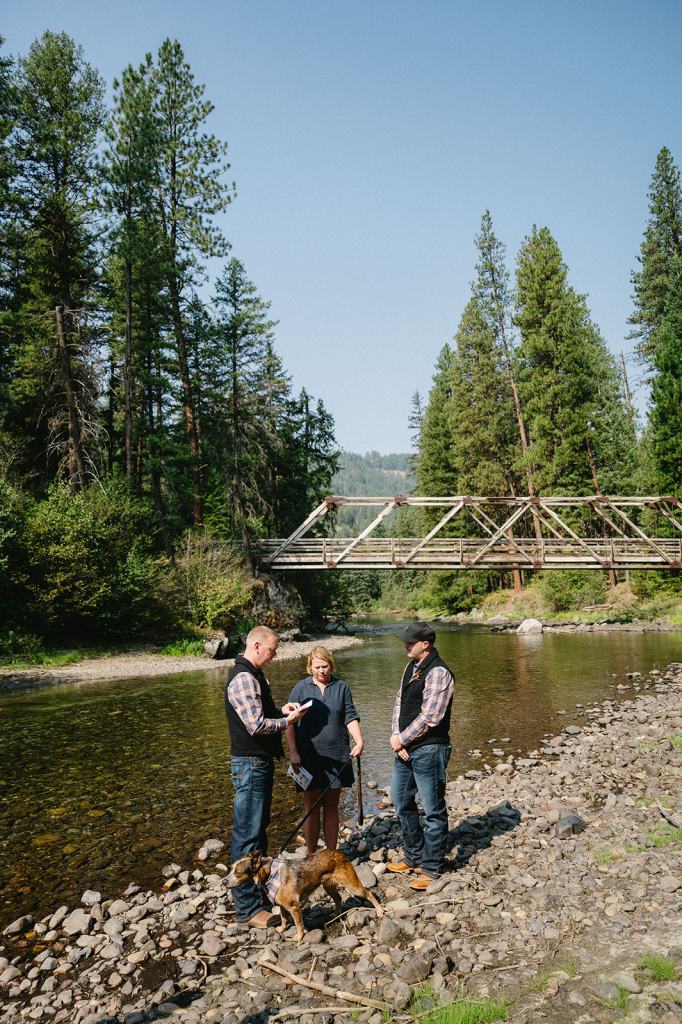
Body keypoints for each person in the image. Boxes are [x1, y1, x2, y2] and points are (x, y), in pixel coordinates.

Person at [225, 624, 308, 927]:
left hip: (257, 763)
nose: (274, 656)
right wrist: (288, 721)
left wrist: (281, 710)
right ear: (257, 646)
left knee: (258, 830)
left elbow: (260, 712)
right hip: (250, 764)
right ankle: (248, 909)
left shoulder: (254, 675)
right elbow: (256, 725)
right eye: (272, 650)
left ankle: (257, 896)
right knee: (248, 833)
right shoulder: (244, 677)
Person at [387, 621, 455, 891]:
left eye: (410, 642)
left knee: (433, 809)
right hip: (405, 748)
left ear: (425, 644)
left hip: (430, 749)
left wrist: (402, 738)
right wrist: (396, 737)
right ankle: (413, 857)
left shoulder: (439, 672)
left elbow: (431, 718)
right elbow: (399, 702)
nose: (405, 645)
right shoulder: (410, 667)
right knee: (401, 801)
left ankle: (431, 867)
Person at [286, 645, 364, 857]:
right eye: (317, 667)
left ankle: (331, 855)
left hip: (337, 754)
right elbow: (289, 724)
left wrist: (359, 741)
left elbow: (350, 717)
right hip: (308, 756)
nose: (321, 670)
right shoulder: (300, 688)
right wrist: (293, 752)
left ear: (331, 665)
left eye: (325, 666)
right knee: (311, 806)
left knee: (331, 806)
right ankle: (311, 855)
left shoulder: (341, 687)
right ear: (310, 667)